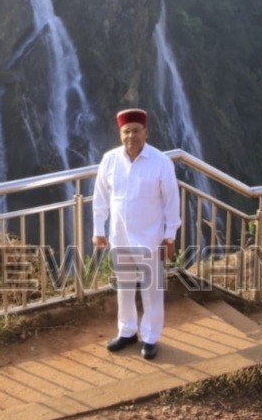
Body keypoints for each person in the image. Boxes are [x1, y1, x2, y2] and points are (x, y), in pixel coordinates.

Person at [91, 108, 181, 360]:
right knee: (124, 287)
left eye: (136, 131)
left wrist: (170, 237)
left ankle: (150, 337)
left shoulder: (160, 162)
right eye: (126, 131)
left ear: (146, 132)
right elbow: (100, 198)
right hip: (119, 236)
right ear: (120, 134)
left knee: (151, 290)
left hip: (150, 237)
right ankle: (127, 331)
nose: (131, 135)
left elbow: (171, 201)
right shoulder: (109, 160)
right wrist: (98, 230)